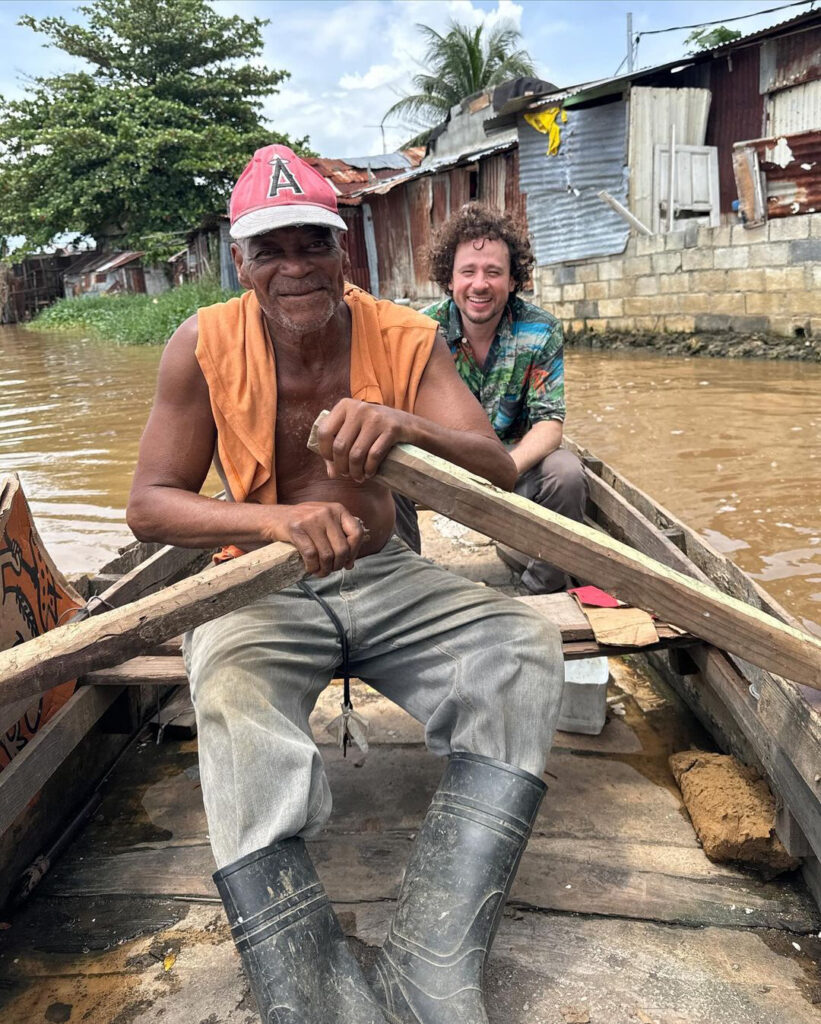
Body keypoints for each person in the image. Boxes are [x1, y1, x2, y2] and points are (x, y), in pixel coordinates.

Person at [127, 145, 565, 1024]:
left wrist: (407, 423)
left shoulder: (404, 335)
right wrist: (272, 522)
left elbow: (494, 469)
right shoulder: (200, 342)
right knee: (232, 694)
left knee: (522, 644)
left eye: (312, 246)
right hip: (255, 583)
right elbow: (149, 505)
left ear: (343, 254)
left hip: (384, 568)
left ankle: (430, 955)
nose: (295, 268)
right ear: (241, 263)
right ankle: (312, 987)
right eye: (271, 250)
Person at [417, 202, 587, 594]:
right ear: (449, 279)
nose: (480, 284)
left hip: (514, 466)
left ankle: (542, 590)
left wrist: (505, 468)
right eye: (468, 272)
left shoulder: (540, 331)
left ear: (512, 280)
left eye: (494, 272)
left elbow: (549, 422)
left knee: (567, 473)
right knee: (379, 470)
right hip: (440, 468)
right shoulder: (421, 330)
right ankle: (411, 590)